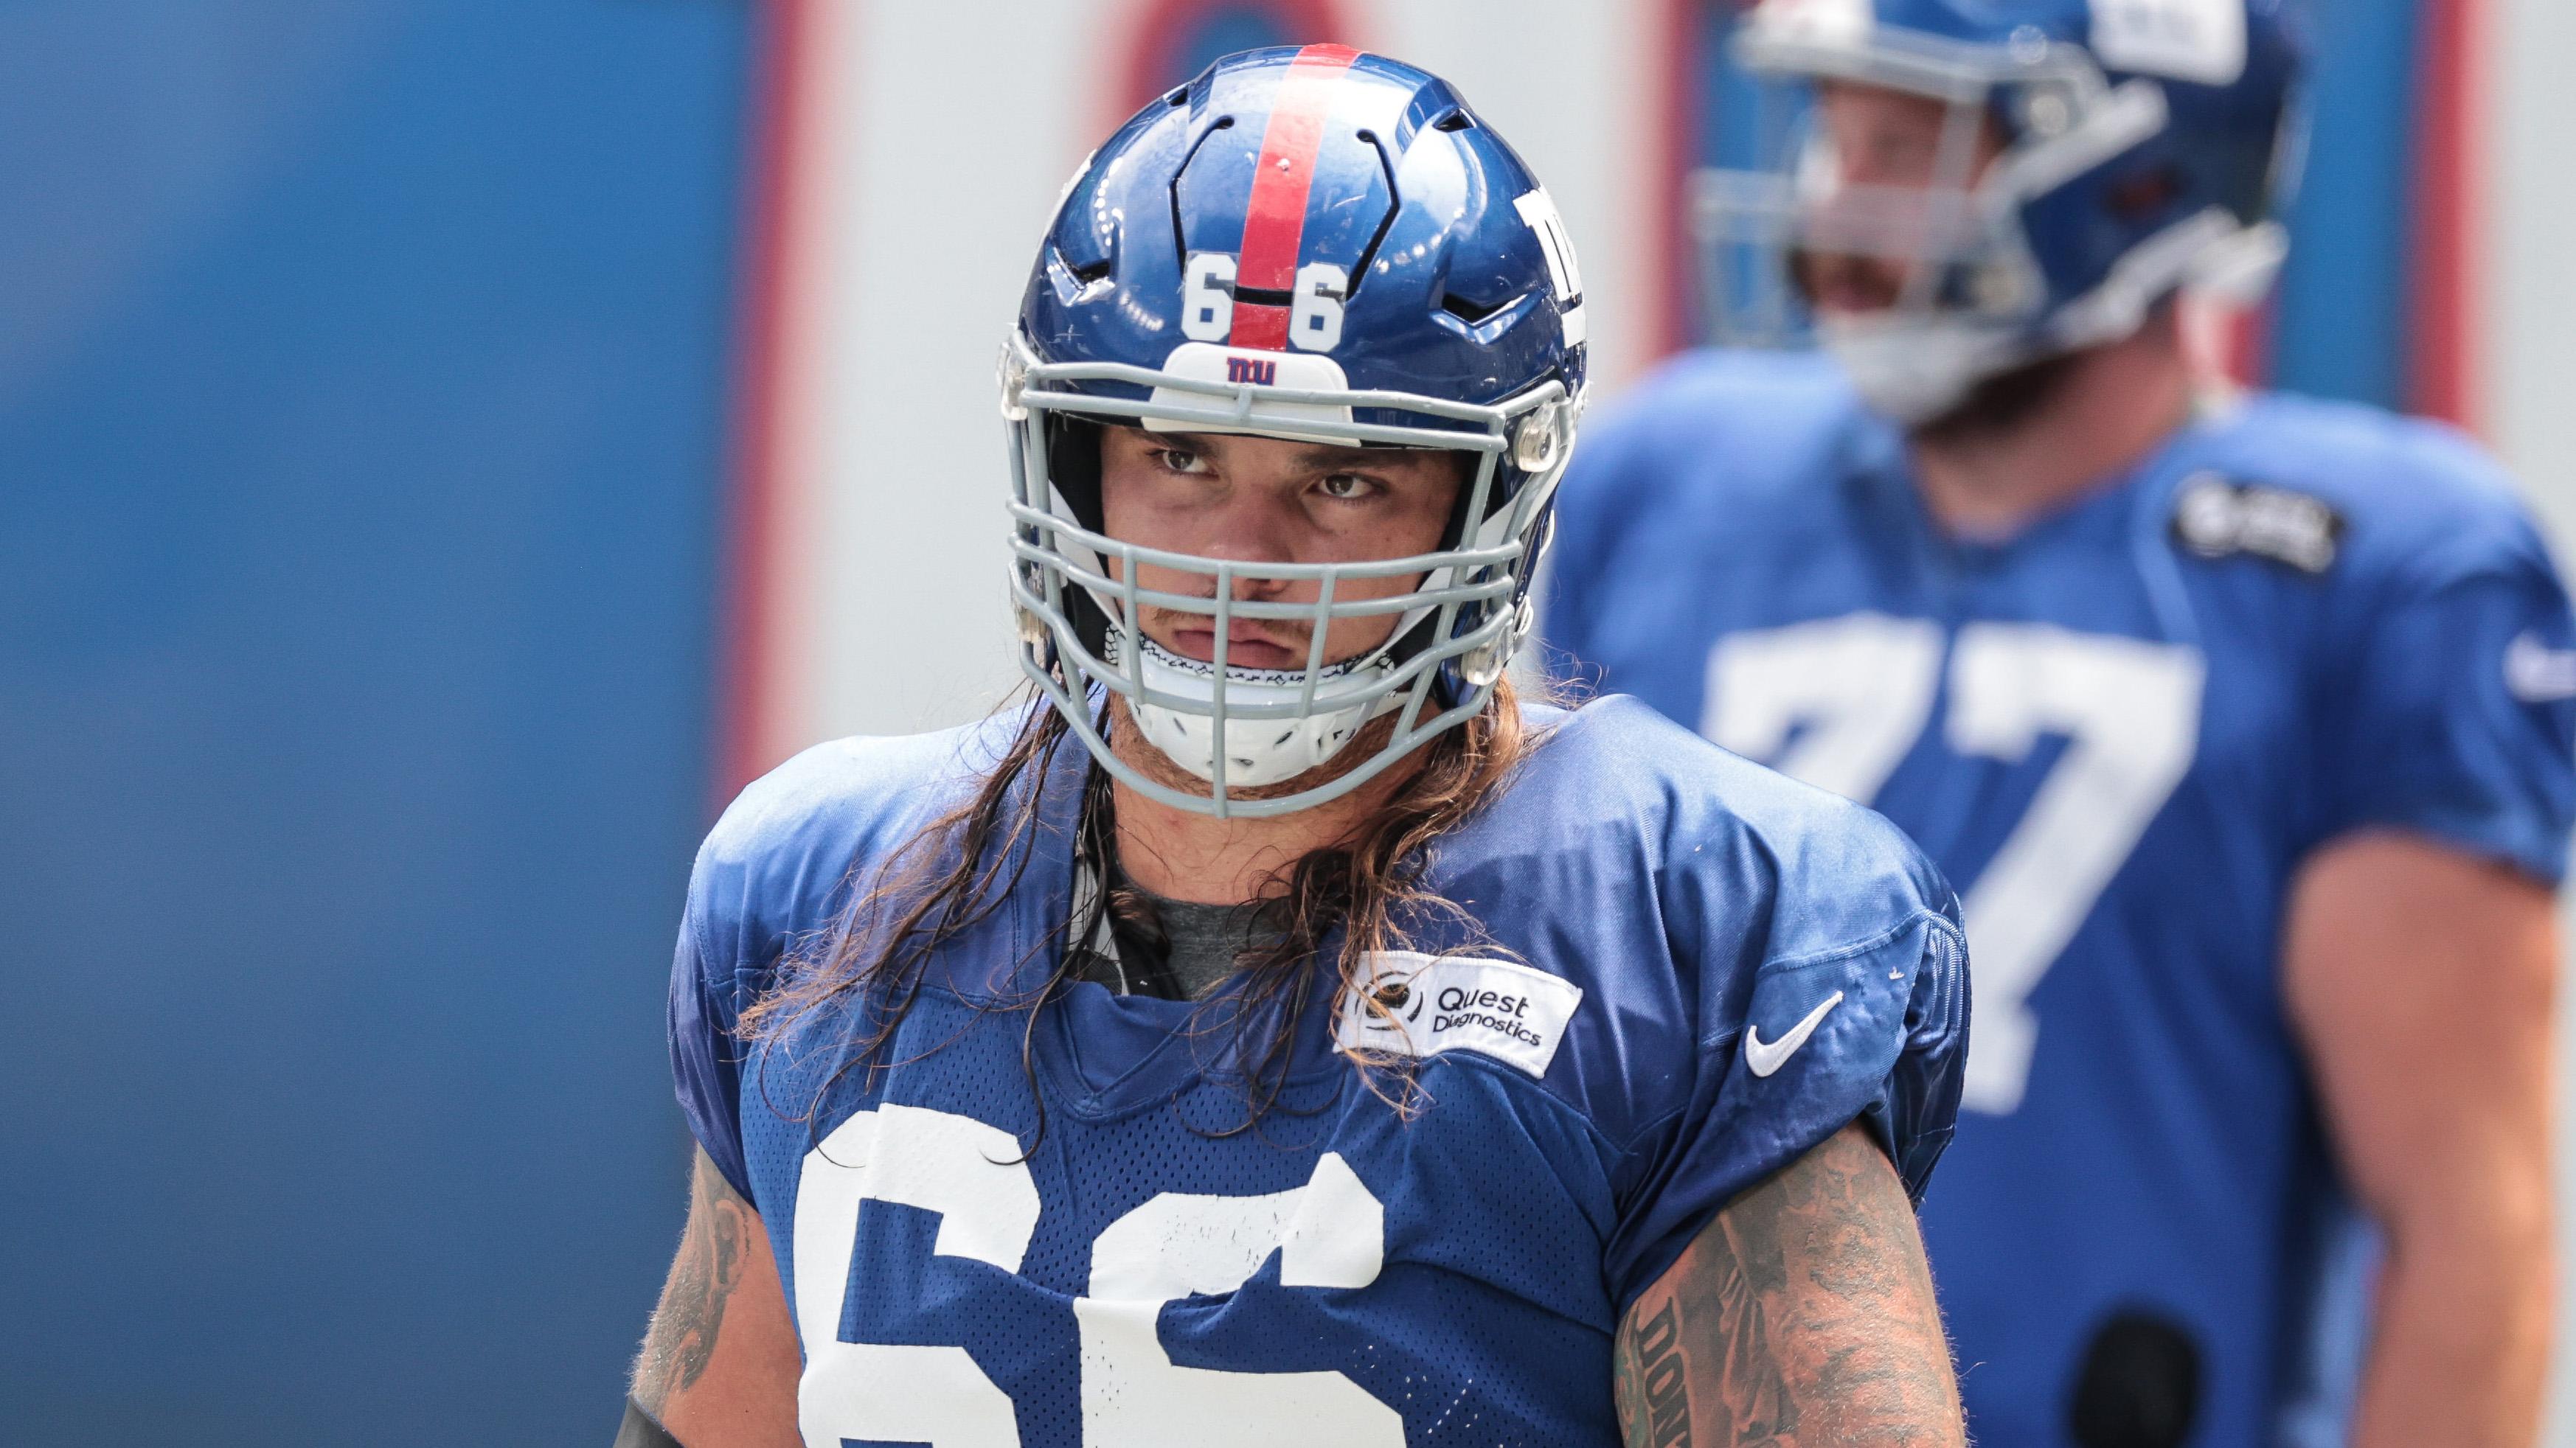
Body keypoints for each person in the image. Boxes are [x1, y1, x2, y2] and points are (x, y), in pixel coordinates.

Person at [614, 43, 1973, 1448]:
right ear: (1076, 462)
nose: (1239, 562)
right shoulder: (823, 898)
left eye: (1342, 479)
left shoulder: (1676, 931)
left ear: (1485, 503)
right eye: (1180, 459)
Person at [1544, 2, 2576, 1446]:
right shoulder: (1665, 485)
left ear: (2137, 173)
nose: (1840, 197)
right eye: (1840, 130)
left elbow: (2468, 1229)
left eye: (1911, 141)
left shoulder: (2384, 571)